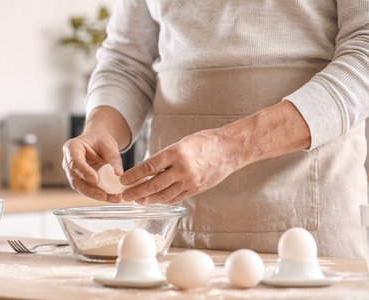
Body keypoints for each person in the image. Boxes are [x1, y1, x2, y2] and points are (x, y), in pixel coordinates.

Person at [62, 0, 369, 258]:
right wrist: (100, 129)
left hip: (309, 217)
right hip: (176, 225)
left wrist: (231, 147)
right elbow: (127, 62)